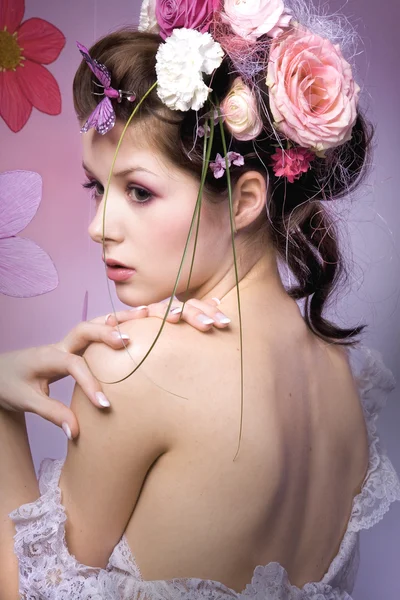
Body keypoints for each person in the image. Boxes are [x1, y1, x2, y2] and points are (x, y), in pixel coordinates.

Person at [1, 0, 399, 598]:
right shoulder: (344, 379)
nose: (99, 226)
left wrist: (2, 410)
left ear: (244, 201)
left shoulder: (133, 365)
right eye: (97, 187)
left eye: (138, 191)